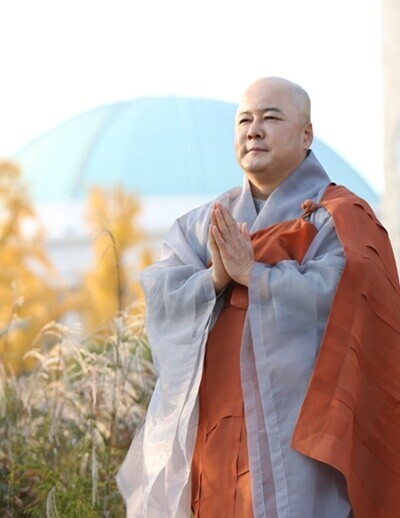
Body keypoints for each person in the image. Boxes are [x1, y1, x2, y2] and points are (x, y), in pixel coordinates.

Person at [117, 77, 400, 517]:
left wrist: (254, 275)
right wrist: (215, 279)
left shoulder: (341, 217)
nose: (254, 130)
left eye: (271, 117)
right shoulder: (205, 224)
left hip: (304, 435)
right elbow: (163, 298)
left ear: (306, 134)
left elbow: (350, 298)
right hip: (219, 435)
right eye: (244, 120)